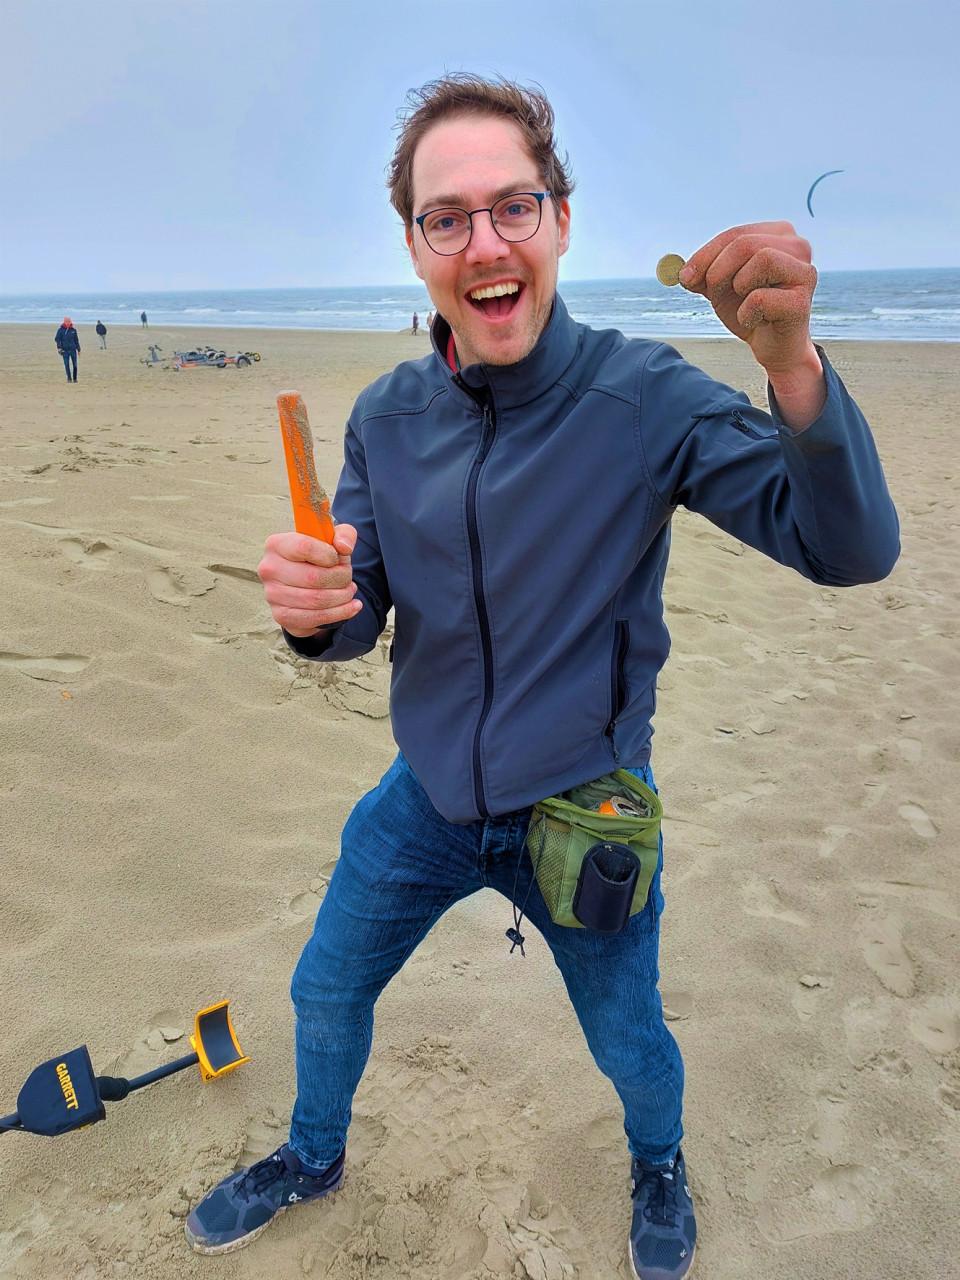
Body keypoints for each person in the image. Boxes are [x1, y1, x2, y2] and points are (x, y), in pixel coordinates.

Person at [186, 75, 899, 1277]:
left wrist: (794, 371)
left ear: (560, 220)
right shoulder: (387, 416)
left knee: (630, 1042)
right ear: (415, 245)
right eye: (446, 217)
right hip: (424, 798)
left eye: (512, 206)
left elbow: (847, 547)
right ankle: (313, 1155)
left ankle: (659, 1161)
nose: (484, 242)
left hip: (584, 805)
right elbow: (360, 615)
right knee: (324, 987)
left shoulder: (644, 396)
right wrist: (316, 616)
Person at [55, 317, 80, 382]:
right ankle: (69, 378)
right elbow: (57, 339)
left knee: (75, 365)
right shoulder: (60, 330)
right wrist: (59, 348)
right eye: (67, 321)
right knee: (67, 365)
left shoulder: (73, 330)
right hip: (65, 351)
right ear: (64, 322)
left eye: (69, 321)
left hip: (73, 350)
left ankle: (75, 379)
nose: (68, 323)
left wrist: (78, 349)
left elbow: (76, 340)